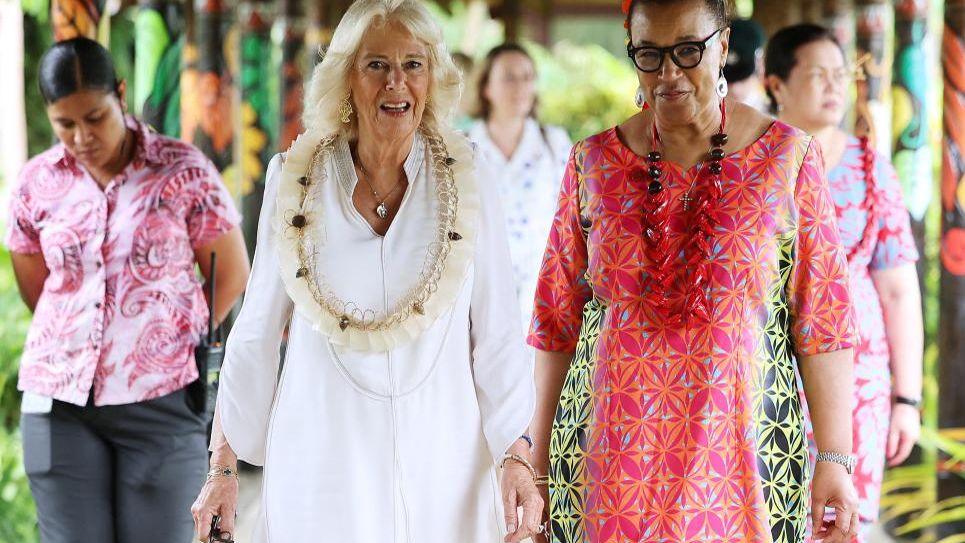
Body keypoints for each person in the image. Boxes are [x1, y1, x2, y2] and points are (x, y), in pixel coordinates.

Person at [190, 0, 542, 541]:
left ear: (432, 78)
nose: (395, 83)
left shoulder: (469, 178)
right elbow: (256, 334)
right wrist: (223, 469)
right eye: (376, 64)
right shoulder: (295, 179)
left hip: (445, 465)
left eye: (413, 64)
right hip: (322, 462)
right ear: (347, 77)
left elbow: (495, 334)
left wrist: (516, 456)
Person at [528, 1, 861, 542]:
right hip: (607, 461)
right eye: (649, 54)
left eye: (687, 51)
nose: (668, 73)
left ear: (723, 46)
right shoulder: (590, 163)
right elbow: (554, 321)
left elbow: (823, 321)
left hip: (746, 455)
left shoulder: (788, 159)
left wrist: (836, 457)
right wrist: (535, 462)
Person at [5, 37, 248, 543]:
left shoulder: (181, 170)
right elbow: (37, 283)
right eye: (65, 124)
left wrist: (173, 331)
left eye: (94, 117)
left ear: (119, 93)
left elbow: (230, 271)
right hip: (59, 404)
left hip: (161, 401)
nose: (81, 136)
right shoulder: (36, 183)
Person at [765, 23, 923, 541]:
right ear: (776, 84)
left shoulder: (872, 168)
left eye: (841, 75)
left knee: (841, 526)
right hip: (766, 376)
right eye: (818, 75)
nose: (835, 87)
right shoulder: (749, 165)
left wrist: (907, 399)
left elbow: (899, 290)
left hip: (860, 381)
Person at [468, 43, 572, 327]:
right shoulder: (463, 149)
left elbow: (573, 222)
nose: (521, 86)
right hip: (478, 303)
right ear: (486, 87)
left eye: (527, 77)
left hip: (542, 305)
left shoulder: (555, 144)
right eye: (509, 77)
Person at [723, 18, 768, 112]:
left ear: (761, 65)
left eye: (743, 79)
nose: (735, 89)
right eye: (726, 81)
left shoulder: (776, 118)